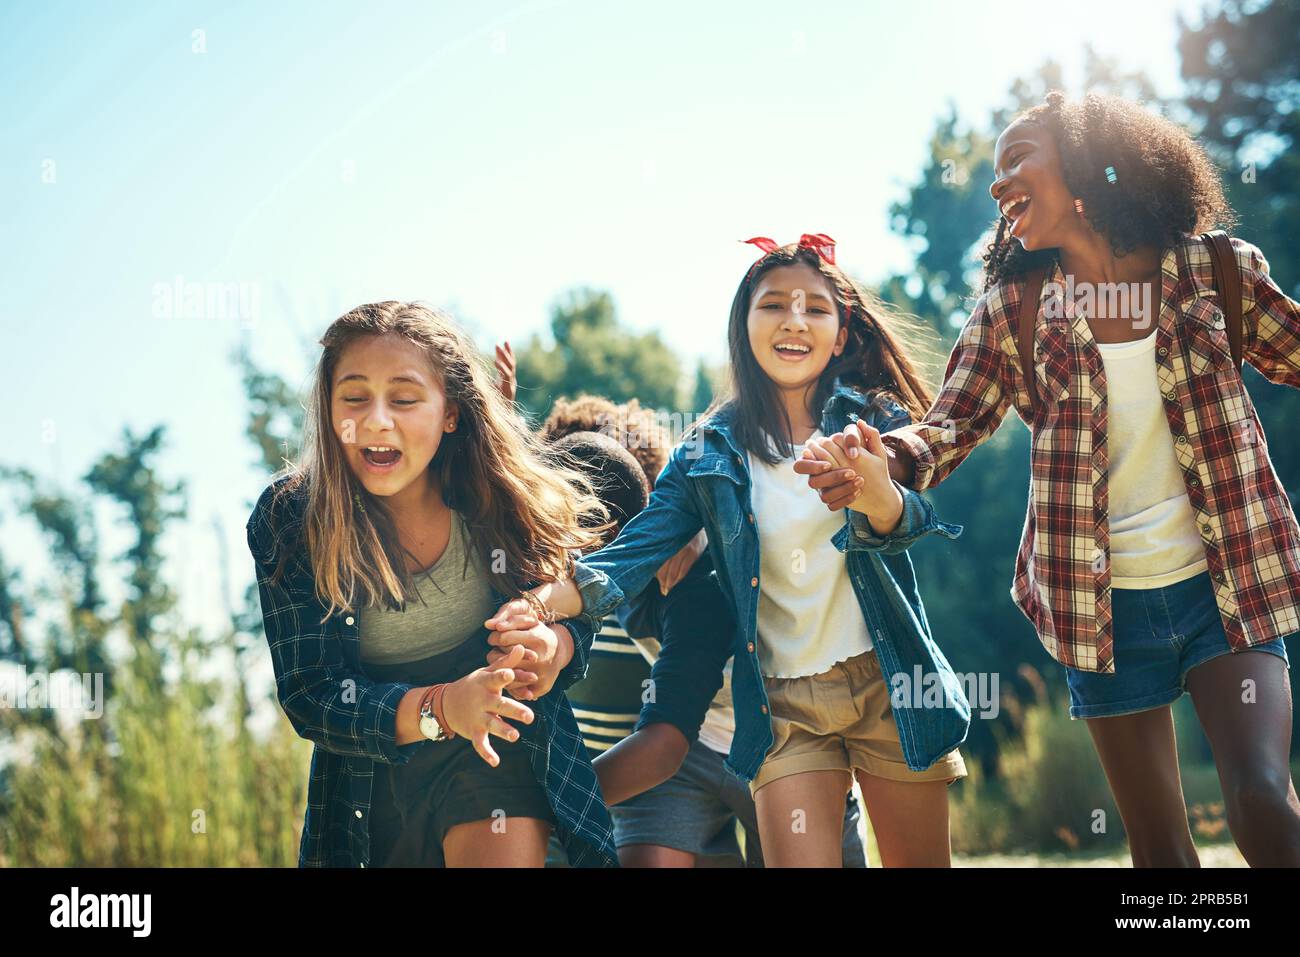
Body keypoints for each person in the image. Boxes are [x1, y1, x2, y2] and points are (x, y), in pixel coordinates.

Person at [808, 92, 1300, 867]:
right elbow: (944, 430)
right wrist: (880, 455)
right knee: (1162, 853)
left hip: (1227, 584)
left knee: (1263, 796)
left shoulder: (1215, 273)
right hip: (1100, 611)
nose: (998, 187)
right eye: (994, 176)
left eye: (1015, 164)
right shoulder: (1015, 311)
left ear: (1088, 163)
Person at [491, 235, 969, 866]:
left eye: (815, 309)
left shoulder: (872, 422)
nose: (794, 321)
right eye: (772, 305)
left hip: (889, 681)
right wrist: (542, 604)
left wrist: (879, 500)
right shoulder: (704, 455)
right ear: (743, 324)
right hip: (782, 704)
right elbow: (627, 554)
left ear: (842, 330)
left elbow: (914, 519)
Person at [246, 301, 622, 867]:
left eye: (403, 398)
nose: (376, 420)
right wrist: (444, 707)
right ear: (328, 411)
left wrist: (556, 647)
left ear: (450, 412)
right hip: (367, 791)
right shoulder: (290, 519)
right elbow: (312, 695)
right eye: (354, 397)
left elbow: (572, 607)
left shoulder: (499, 497)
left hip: (496, 756)